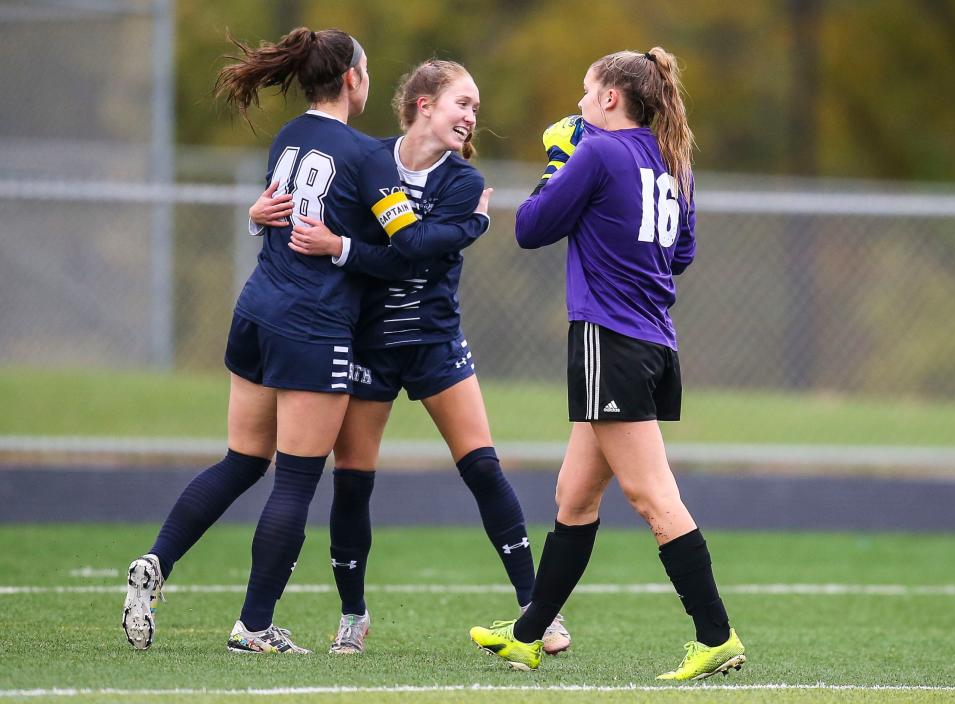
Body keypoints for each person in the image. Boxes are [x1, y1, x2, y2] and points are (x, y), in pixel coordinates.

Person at [121, 27, 489, 655]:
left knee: (241, 460)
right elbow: (406, 251)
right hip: (312, 326)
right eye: (367, 72)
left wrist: (251, 215)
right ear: (352, 78)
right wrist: (472, 220)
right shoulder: (368, 156)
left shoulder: (290, 136)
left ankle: (157, 560)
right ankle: (254, 626)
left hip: (255, 311)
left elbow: (275, 212)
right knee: (295, 480)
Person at [249, 59, 571, 656]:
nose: (473, 117)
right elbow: (387, 240)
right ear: (424, 103)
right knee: (351, 483)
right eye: (463, 103)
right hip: (369, 344)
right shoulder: (371, 160)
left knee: (482, 468)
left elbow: (414, 252)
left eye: (476, 108)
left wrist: (348, 246)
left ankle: (538, 611)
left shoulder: (462, 184)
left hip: (434, 343)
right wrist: (257, 213)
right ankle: (353, 616)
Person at [468, 48, 747, 680]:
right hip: (653, 341)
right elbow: (682, 254)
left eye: (586, 93)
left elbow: (530, 227)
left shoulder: (595, 152)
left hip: (609, 341)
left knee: (652, 496)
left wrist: (558, 163)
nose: (580, 105)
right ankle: (529, 635)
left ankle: (716, 636)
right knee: (574, 493)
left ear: (612, 99)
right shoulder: (676, 163)